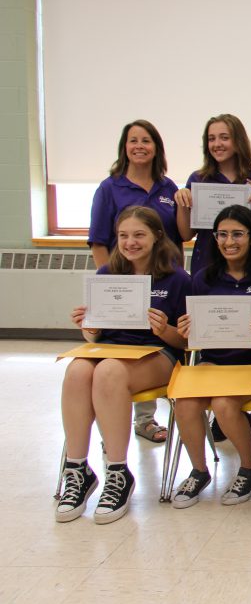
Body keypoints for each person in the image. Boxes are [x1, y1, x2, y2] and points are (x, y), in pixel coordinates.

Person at [56, 206, 189, 524]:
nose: (130, 242)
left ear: (157, 236)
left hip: (157, 354)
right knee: (77, 370)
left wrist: (164, 329)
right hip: (111, 350)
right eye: (123, 236)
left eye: (139, 235)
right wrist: (87, 325)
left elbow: (185, 343)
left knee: (108, 370)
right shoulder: (107, 274)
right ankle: (77, 470)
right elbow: (96, 336)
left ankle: (118, 473)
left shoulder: (177, 279)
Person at [169, 206, 251, 508]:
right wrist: (186, 329)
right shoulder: (202, 279)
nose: (228, 241)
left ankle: (250, 468)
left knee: (223, 404)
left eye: (237, 234)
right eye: (222, 234)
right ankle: (199, 471)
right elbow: (191, 338)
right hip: (213, 363)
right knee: (185, 402)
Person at [88, 119, 181, 444]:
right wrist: (113, 287)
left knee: (150, 341)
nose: (139, 146)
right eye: (133, 140)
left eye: (146, 140)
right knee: (118, 349)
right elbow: (99, 241)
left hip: (162, 281)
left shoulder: (168, 187)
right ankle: (112, 427)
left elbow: (179, 235)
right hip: (121, 281)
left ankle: (144, 420)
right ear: (124, 147)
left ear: (156, 147)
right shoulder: (109, 187)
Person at [175, 113, 251, 276]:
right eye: (211, 139)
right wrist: (181, 200)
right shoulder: (199, 180)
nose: (217, 144)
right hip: (207, 268)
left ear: (238, 141)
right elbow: (186, 234)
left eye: (224, 138)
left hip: (248, 271)